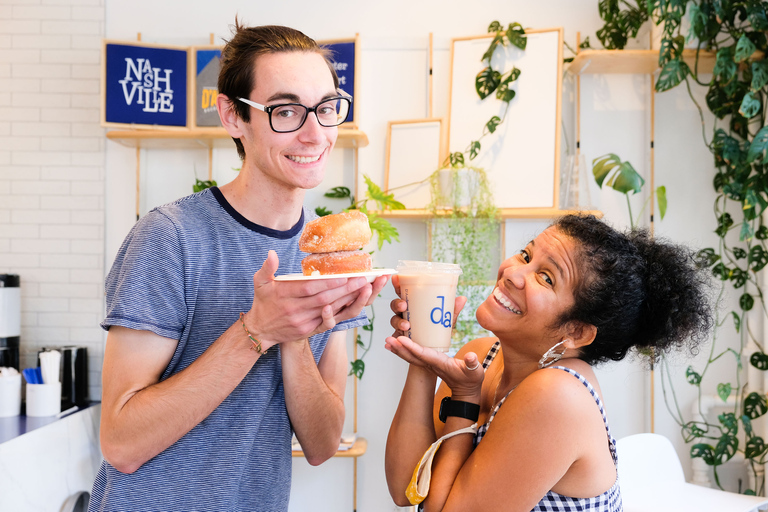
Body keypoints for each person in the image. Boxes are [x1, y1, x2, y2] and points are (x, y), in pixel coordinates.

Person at [89, 22, 389, 511]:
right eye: (286, 111)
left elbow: (321, 444)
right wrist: (256, 329)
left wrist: (293, 333)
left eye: (327, 108)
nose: (316, 133)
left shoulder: (328, 255)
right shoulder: (170, 237)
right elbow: (121, 443)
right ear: (233, 116)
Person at [384, 214, 712, 512]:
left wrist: (465, 399)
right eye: (526, 255)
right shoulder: (483, 354)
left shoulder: (557, 395)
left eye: (546, 278)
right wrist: (424, 356)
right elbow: (405, 488)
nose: (513, 273)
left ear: (576, 331)